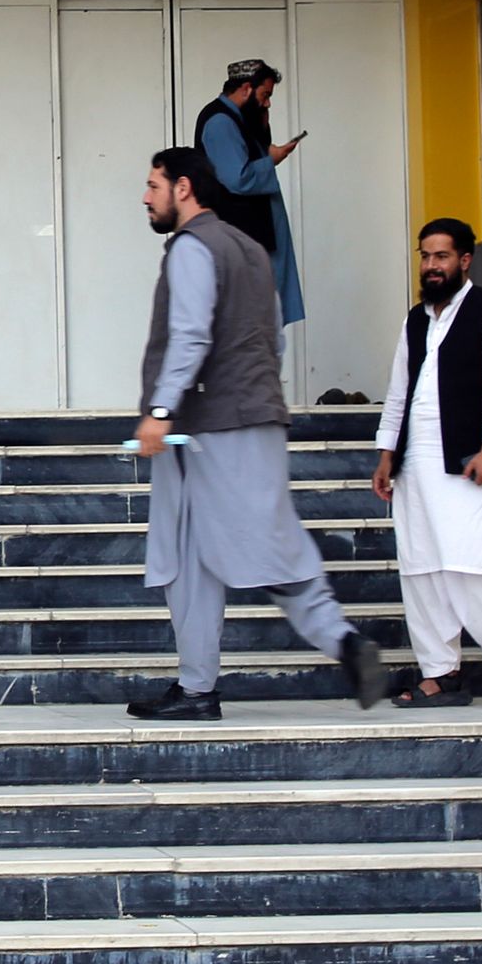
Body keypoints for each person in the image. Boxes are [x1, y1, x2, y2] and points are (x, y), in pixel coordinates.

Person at [128, 146, 380, 722]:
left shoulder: (193, 248)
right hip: (252, 418)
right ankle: (196, 689)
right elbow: (274, 339)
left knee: (265, 547)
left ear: (184, 188)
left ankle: (343, 642)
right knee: (191, 557)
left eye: (152, 185)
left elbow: (191, 336)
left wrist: (160, 411)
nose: (145, 197)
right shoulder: (250, 250)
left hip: (207, 427)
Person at [374, 216, 482, 709]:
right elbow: (398, 393)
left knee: (479, 568)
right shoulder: (416, 318)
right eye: (425, 256)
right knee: (422, 570)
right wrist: (387, 453)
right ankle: (440, 673)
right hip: (415, 464)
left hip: (470, 459)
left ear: (464, 260)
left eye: (441, 256)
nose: (431, 265)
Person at [190, 57, 306, 328]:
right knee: (250, 323)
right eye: (265, 95)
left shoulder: (241, 119)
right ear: (245, 89)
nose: (267, 102)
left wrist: (264, 131)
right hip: (243, 239)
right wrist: (272, 160)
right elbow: (237, 178)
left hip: (252, 238)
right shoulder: (220, 122)